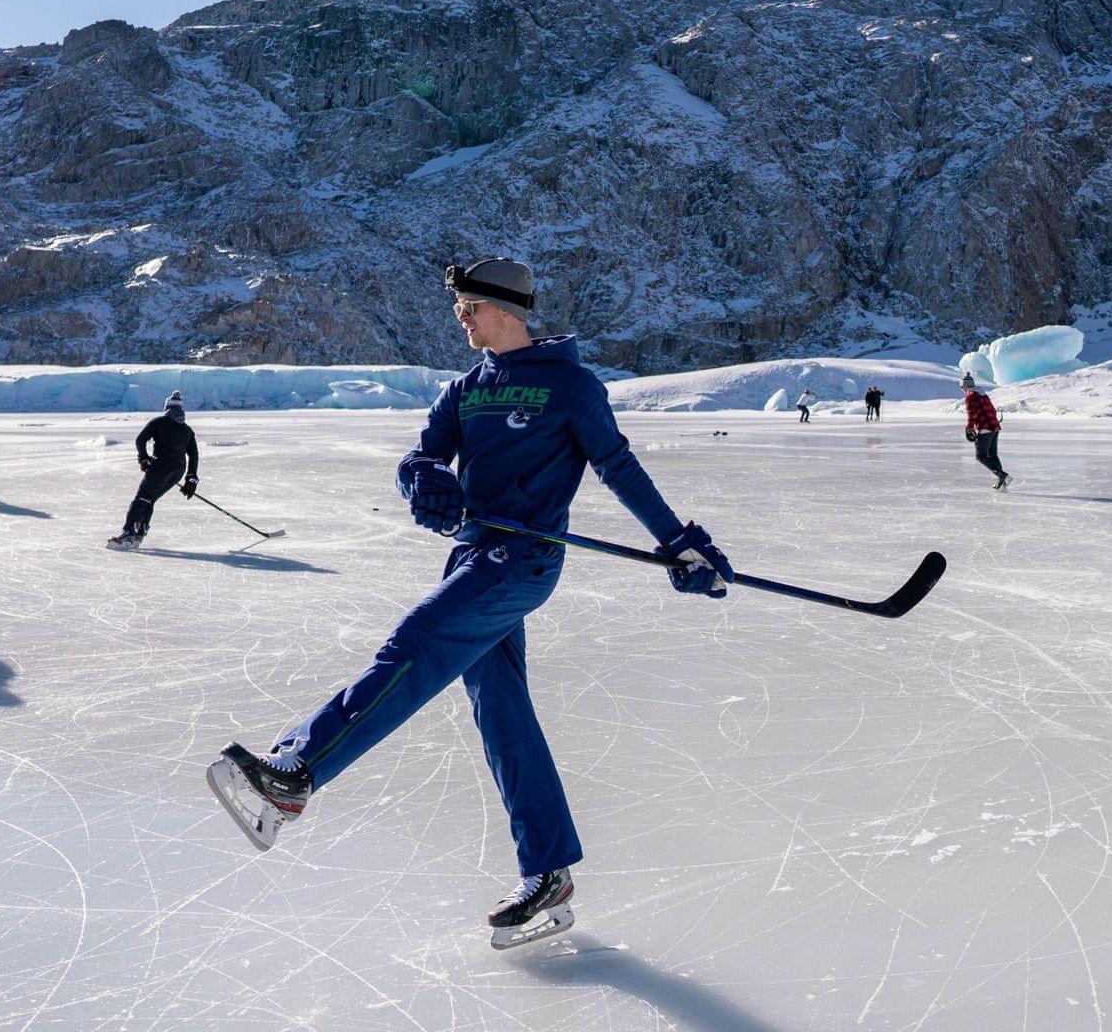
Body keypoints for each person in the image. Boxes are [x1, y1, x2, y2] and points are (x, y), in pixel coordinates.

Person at [207, 257, 731, 950]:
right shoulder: (464, 389)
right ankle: (548, 872)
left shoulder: (570, 385)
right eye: (458, 306)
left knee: (415, 643)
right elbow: (419, 458)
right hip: (473, 556)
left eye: (469, 306)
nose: (460, 316)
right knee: (501, 711)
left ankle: (297, 773)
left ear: (506, 310)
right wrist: (424, 482)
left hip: (522, 562)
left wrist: (677, 542)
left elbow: (617, 466)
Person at [107, 391, 198, 549]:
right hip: (178, 471)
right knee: (150, 499)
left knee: (142, 498)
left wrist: (143, 458)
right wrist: (191, 478)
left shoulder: (159, 422)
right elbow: (194, 454)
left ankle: (128, 533)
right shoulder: (187, 430)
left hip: (160, 467)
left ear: (167, 408)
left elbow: (140, 440)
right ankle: (140, 532)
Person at [961, 371, 1009, 490]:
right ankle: (1002, 481)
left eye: (962, 387)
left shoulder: (971, 396)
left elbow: (972, 413)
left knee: (980, 456)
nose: (962, 389)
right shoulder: (982, 394)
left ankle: (1002, 475)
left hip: (985, 428)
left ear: (965, 386)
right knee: (992, 455)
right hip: (994, 426)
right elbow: (992, 410)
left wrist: (969, 428)